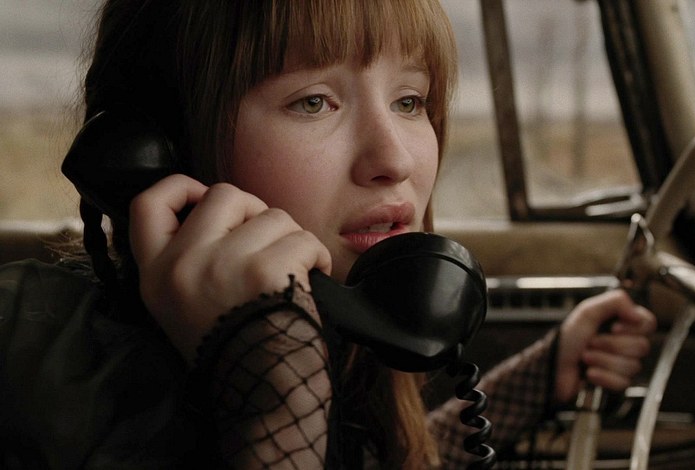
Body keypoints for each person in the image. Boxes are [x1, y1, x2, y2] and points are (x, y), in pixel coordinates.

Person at [0, 0, 656, 468]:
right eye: (313, 101)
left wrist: (537, 379)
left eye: (409, 101)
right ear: (156, 148)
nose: (394, 159)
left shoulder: (333, 319)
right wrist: (277, 407)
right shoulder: (29, 373)